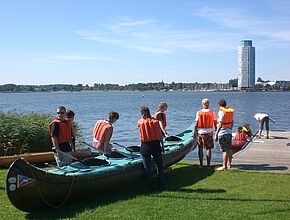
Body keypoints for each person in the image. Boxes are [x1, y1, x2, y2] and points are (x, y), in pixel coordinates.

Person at [138, 106, 165, 190]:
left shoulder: (140, 122)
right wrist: (162, 145)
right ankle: (161, 184)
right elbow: (160, 136)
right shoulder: (155, 122)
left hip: (145, 146)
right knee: (159, 166)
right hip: (155, 145)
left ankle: (150, 186)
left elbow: (141, 124)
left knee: (147, 168)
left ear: (141, 113)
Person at [193, 98, 217, 167]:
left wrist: (194, 132)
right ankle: (208, 165)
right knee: (208, 149)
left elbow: (196, 123)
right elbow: (215, 122)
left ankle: (201, 164)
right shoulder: (212, 112)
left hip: (200, 132)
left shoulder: (198, 112)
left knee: (200, 148)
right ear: (208, 104)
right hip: (209, 132)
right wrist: (216, 132)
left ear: (202, 104)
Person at [215, 99, 234, 171]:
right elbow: (232, 122)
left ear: (219, 105)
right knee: (229, 148)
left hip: (223, 132)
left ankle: (224, 166)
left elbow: (220, 123)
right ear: (225, 104)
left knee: (224, 150)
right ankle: (229, 165)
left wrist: (216, 134)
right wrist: (230, 129)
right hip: (229, 131)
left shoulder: (221, 112)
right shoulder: (230, 112)